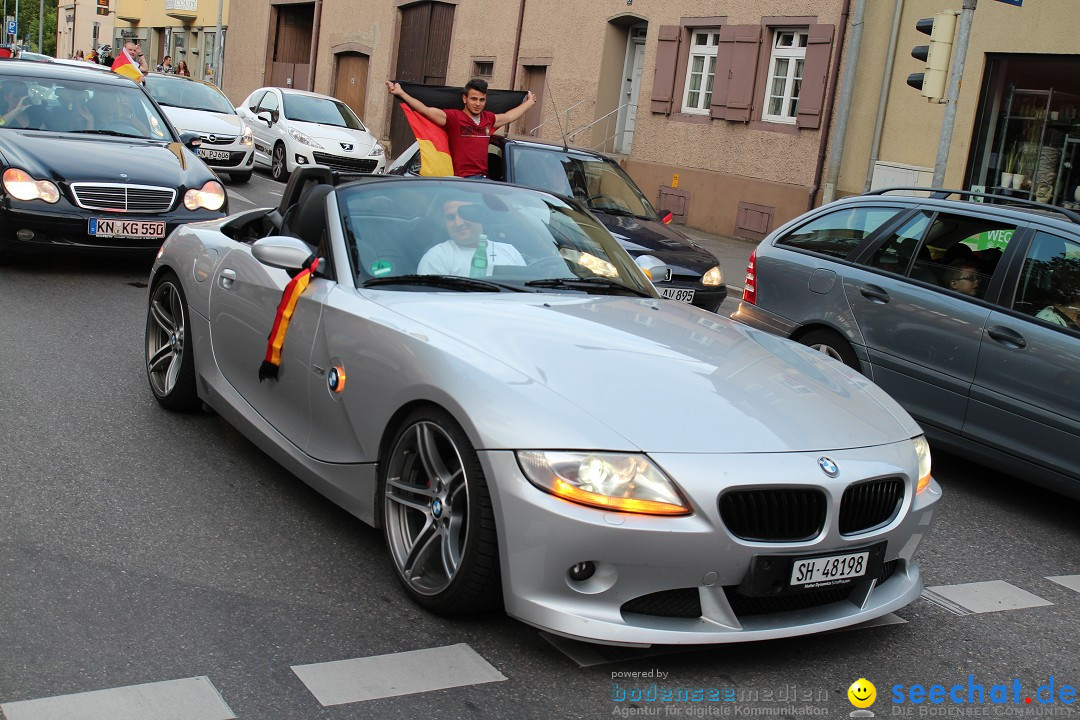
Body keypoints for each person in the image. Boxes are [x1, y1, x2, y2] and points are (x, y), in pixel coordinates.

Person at [386, 77, 535, 178]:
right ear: (465, 99)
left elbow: (508, 117)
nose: (478, 104)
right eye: (474, 99)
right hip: (460, 180)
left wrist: (529, 102)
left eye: (482, 100)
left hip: (483, 179)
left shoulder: (488, 119)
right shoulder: (454, 118)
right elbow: (426, 110)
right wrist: (401, 93)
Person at [417, 196, 526, 276]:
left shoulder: (510, 252)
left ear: (479, 214)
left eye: (464, 214)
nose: (458, 223)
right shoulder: (437, 257)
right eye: (451, 217)